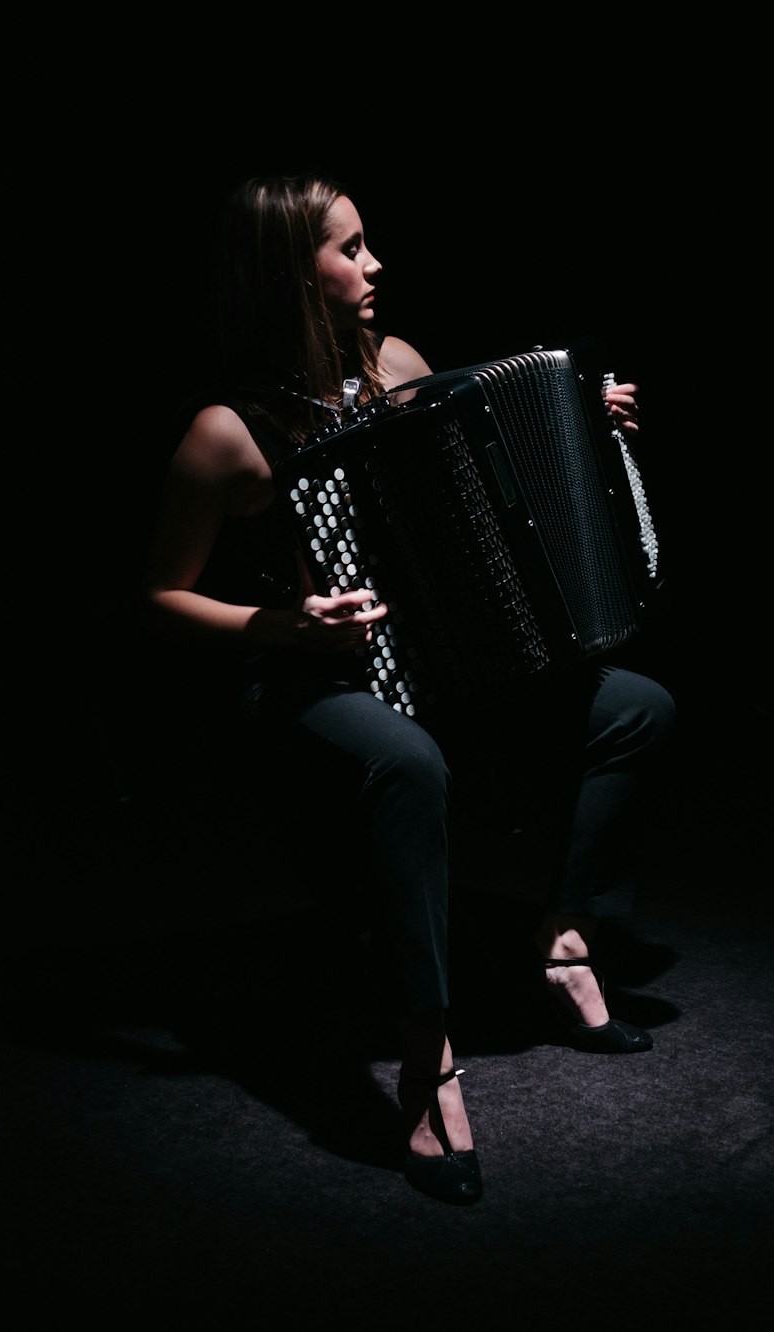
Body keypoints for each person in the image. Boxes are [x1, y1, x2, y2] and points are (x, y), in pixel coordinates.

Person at [144, 173, 677, 1207]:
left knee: (635, 708)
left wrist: (581, 421)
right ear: (286, 277)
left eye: (367, 244)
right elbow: (157, 594)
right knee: (404, 759)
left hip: (433, 658)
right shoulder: (226, 432)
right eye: (347, 250)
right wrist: (286, 624)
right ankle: (425, 1057)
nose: (375, 264)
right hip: (302, 677)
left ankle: (563, 937)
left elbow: (481, 496)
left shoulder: (395, 368)